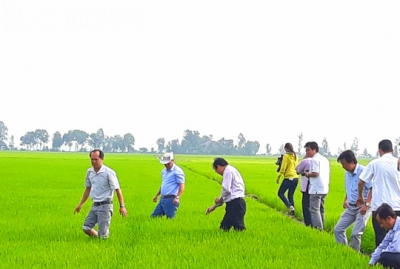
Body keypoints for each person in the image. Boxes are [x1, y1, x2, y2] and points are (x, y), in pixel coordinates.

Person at [74, 149, 128, 239]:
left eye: (96, 159)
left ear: (102, 159)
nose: (93, 162)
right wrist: (80, 204)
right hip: (95, 205)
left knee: (103, 235)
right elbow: (88, 188)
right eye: (92, 159)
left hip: (105, 206)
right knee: (86, 228)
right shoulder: (89, 172)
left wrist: (122, 206)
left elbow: (117, 190)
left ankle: (102, 243)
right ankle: (97, 239)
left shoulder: (109, 173)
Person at [357, 139, 400, 247]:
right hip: (397, 207)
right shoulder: (397, 162)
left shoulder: (375, 163)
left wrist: (361, 197)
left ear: (380, 151)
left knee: (381, 239)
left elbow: (361, 182)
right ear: (392, 150)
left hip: (379, 209)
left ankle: (382, 262)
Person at [333, 150, 372, 251]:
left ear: (352, 162)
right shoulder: (347, 173)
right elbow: (350, 188)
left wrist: (366, 205)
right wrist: (346, 199)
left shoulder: (364, 172)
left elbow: (373, 189)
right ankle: (344, 251)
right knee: (338, 229)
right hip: (351, 207)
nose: (343, 166)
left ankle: (355, 254)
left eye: (344, 164)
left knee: (355, 234)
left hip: (362, 207)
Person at [206, 158, 246, 231]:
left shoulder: (228, 171)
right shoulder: (231, 169)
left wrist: (220, 199)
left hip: (235, 203)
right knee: (224, 227)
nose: (217, 172)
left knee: (238, 227)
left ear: (218, 166)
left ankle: (243, 240)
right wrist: (214, 206)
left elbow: (226, 189)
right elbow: (227, 193)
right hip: (235, 203)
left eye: (215, 170)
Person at [303, 141, 330, 230]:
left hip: (316, 189)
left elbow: (315, 173)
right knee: (321, 209)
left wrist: (307, 174)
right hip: (324, 188)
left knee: (314, 210)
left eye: (308, 150)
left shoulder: (314, 159)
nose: (307, 152)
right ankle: (322, 227)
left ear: (314, 150)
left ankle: (318, 229)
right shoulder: (324, 159)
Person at [151, 152, 185, 218]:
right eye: (165, 164)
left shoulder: (178, 171)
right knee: (154, 217)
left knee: (170, 219)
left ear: (172, 161)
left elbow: (182, 185)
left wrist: (177, 197)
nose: (166, 165)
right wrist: (157, 195)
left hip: (171, 199)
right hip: (162, 199)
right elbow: (163, 185)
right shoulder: (164, 171)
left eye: (168, 163)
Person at [369, 203, 400, 268]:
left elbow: (395, 248)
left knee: (385, 257)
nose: (381, 226)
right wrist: (371, 263)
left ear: (388, 218)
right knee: (383, 256)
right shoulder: (392, 230)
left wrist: (381, 255)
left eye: (381, 223)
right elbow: (382, 245)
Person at [276, 143, 298, 216]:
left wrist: (278, 177)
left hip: (288, 178)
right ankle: (292, 213)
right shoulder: (295, 155)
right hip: (295, 178)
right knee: (290, 195)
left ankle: (290, 207)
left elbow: (283, 168)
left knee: (280, 193)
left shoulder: (286, 156)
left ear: (286, 148)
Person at [295, 152, 312, 226]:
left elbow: (297, 170)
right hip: (316, 188)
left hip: (307, 186)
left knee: (306, 205)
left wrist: (303, 159)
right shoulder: (317, 161)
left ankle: (308, 223)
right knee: (315, 207)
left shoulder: (305, 161)